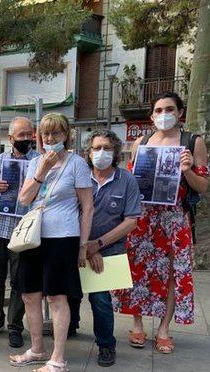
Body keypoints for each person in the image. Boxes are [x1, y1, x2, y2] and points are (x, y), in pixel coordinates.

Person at [112, 92, 208, 354]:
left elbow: (203, 186)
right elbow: (131, 182)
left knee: (172, 275)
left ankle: (164, 329)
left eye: (169, 108)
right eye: (158, 109)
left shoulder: (193, 142)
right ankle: (138, 324)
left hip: (175, 220)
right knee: (138, 271)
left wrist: (187, 169)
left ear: (179, 113)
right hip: (143, 219)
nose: (163, 114)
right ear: (152, 115)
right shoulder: (141, 142)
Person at [9, 113, 94, 372]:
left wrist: (82, 245)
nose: (50, 138)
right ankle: (37, 349)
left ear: (66, 135)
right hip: (33, 238)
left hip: (62, 237)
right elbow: (24, 200)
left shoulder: (77, 163)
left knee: (56, 297)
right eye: (45, 134)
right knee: (29, 295)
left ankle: (58, 359)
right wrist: (42, 171)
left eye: (56, 133)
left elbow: (87, 207)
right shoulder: (36, 162)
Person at [82, 129, 142, 366]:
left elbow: (131, 220)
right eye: (96, 148)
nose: (101, 153)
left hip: (107, 248)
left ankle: (106, 345)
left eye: (106, 148)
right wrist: (84, 246)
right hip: (77, 245)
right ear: (88, 153)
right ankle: (70, 327)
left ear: (115, 152)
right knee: (70, 293)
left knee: (100, 300)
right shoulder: (80, 176)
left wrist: (96, 246)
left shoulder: (126, 179)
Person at [0, 117, 39, 347]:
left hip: (25, 230)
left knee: (19, 280)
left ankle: (15, 326)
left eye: (29, 134)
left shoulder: (39, 161)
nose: (26, 139)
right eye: (21, 135)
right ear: (10, 138)